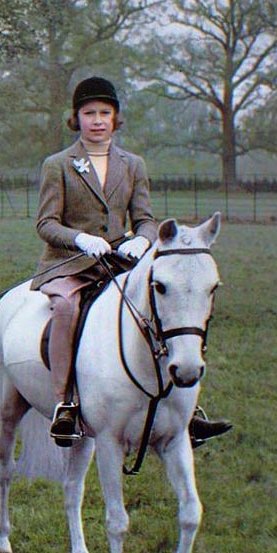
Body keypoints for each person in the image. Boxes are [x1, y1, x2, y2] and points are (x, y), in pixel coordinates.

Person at [33, 76, 232, 447]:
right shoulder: (57, 164)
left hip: (121, 261)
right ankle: (67, 404)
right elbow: (46, 224)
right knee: (65, 309)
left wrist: (142, 240)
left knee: (163, 308)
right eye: (89, 113)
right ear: (76, 118)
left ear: (115, 118)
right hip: (69, 263)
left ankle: (184, 411)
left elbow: (144, 218)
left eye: (104, 113)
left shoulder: (133, 164)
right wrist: (80, 239)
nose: (97, 120)